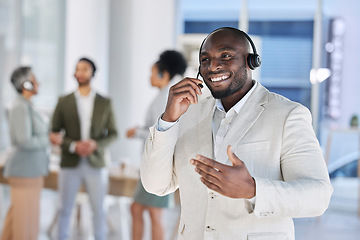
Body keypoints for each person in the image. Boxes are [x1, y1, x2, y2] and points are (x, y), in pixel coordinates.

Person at [141, 27, 333, 240]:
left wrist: (253, 189)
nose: (213, 66)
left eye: (225, 56)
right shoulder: (188, 113)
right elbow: (155, 185)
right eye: (205, 59)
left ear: (251, 62)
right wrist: (168, 121)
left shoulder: (288, 115)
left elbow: (318, 196)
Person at [50, 57, 118, 240]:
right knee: (64, 209)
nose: (80, 72)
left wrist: (96, 144)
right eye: (78, 69)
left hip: (96, 163)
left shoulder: (105, 102)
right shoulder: (63, 101)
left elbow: (113, 133)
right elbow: (54, 133)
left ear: (92, 73)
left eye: (85, 69)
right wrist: (73, 145)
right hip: (70, 162)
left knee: (99, 210)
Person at [126, 50, 187, 240]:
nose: (149, 77)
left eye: (152, 72)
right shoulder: (163, 95)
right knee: (141, 210)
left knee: (152, 212)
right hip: (155, 163)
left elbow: (163, 132)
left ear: (163, 74)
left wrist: (137, 132)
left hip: (158, 164)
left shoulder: (166, 97)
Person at [1, 66, 49, 240]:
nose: (38, 83)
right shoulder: (19, 107)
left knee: (17, 220)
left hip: (32, 170)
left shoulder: (27, 105)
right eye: (34, 79)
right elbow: (24, 140)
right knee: (24, 222)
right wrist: (48, 140)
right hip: (24, 172)